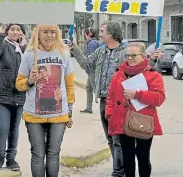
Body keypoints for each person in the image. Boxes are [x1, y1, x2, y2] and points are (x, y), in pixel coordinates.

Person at [70, 22, 160, 177]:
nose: (99, 34)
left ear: (111, 34)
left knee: (122, 142)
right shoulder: (100, 51)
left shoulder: (126, 52)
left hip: (126, 104)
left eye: (102, 31)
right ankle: (120, 170)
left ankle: (119, 172)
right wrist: (75, 48)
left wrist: (152, 60)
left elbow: (143, 71)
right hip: (106, 101)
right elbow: (87, 65)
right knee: (112, 140)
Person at [16, 25, 74, 177]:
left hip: (59, 114)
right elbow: (18, 84)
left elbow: (69, 85)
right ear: (38, 34)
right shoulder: (29, 54)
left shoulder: (64, 53)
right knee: (38, 154)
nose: (49, 35)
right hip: (34, 114)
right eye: (45, 32)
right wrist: (29, 81)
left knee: (54, 153)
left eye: (52, 32)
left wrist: (70, 111)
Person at [105, 42, 165, 177]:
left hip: (143, 121)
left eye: (133, 55)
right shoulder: (118, 74)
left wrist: (138, 94)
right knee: (127, 157)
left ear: (143, 56)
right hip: (122, 121)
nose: (130, 58)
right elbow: (111, 96)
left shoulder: (153, 75)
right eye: (127, 55)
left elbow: (159, 98)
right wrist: (109, 114)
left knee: (143, 156)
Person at [0, 23, 27, 171]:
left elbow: (31, 65)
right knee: (3, 127)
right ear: (7, 31)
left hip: (19, 94)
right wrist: (0, 33)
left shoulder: (24, 49)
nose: (15, 32)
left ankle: (11, 159)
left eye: (18, 29)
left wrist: (24, 46)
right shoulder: (2, 45)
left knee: (14, 129)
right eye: (12, 29)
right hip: (1, 94)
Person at [80, 27, 100, 114]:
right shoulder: (96, 42)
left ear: (89, 34)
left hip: (92, 71)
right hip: (93, 70)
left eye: (85, 33)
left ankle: (108, 108)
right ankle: (89, 108)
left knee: (97, 90)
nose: (84, 35)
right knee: (89, 88)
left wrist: (86, 67)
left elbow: (90, 59)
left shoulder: (91, 44)